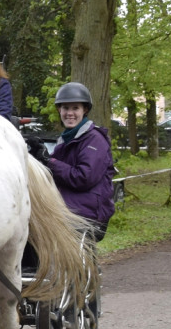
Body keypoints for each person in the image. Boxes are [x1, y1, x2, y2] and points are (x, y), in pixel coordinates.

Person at [26, 81, 117, 240]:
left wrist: (49, 162)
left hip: (87, 213)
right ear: (59, 110)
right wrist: (37, 158)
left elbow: (83, 177)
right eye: (65, 108)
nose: (70, 113)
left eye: (75, 108)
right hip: (65, 206)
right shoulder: (67, 138)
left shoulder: (94, 140)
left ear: (85, 110)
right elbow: (56, 174)